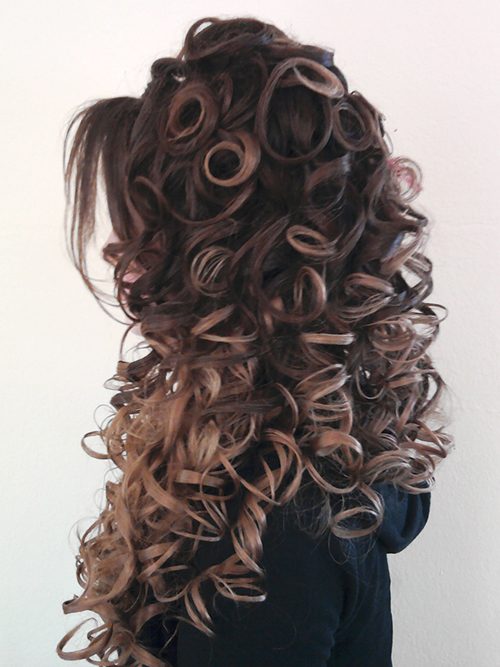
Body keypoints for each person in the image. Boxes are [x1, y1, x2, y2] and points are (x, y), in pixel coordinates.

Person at [57, 16, 451, 667]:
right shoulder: (314, 450)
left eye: (147, 237)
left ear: (233, 264)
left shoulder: (265, 529)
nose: (124, 266)